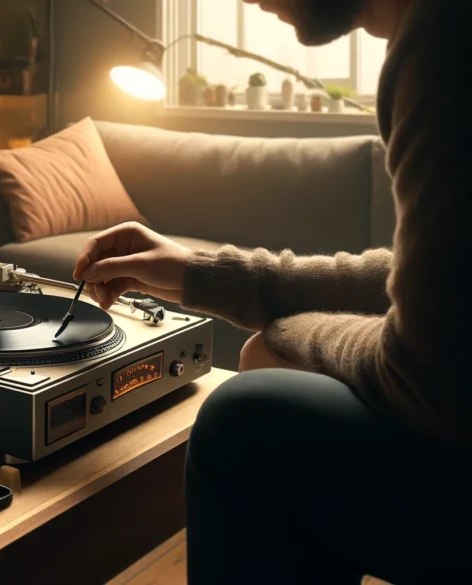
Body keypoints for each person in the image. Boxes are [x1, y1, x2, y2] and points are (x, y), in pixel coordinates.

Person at [73, 0, 469, 583]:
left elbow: (428, 377)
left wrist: (287, 335)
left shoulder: (444, 37)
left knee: (245, 418)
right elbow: (422, 280)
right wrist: (195, 271)